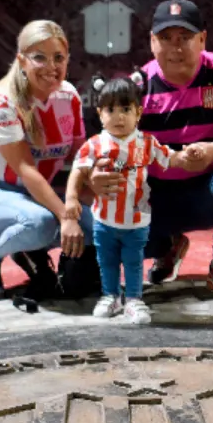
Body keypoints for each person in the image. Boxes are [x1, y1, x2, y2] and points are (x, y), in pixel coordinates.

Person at [89, 0, 213, 305]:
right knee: (105, 236)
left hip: (209, 189)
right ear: (152, 42)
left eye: (185, 38)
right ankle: (165, 245)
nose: (175, 48)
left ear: (202, 38)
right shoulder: (137, 88)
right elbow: (111, 150)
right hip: (156, 195)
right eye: (165, 38)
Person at [0, 20, 98, 303]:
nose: (51, 66)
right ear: (21, 60)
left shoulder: (68, 95)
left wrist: (104, 189)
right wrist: (66, 215)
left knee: (101, 226)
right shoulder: (2, 100)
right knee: (41, 223)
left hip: (33, 195)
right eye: (39, 57)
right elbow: (24, 168)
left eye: (59, 57)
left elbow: (80, 155)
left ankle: (45, 258)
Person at [66, 73, 192, 325]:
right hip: (103, 219)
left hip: (137, 220)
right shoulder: (94, 144)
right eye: (111, 109)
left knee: (133, 262)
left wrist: (189, 155)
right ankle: (110, 296)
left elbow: (170, 157)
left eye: (126, 109)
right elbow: (78, 171)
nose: (118, 116)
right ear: (100, 113)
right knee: (107, 261)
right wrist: (71, 197)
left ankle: (134, 300)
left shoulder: (146, 143)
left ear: (138, 112)